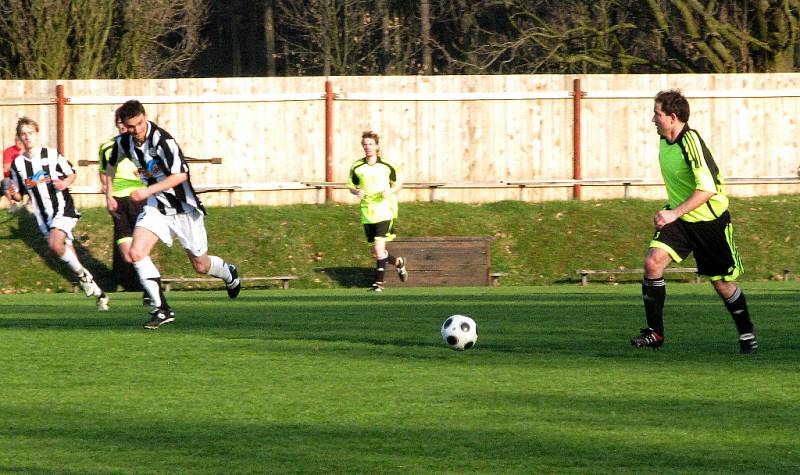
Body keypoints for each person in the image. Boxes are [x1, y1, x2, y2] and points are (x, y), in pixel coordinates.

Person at [631, 89, 757, 354]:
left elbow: (707, 189)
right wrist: (674, 213)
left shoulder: (690, 142)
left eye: (657, 114)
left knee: (721, 283)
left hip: (709, 222)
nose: (652, 119)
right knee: (652, 263)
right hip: (681, 219)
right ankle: (655, 333)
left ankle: (747, 333)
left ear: (673, 117)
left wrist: (673, 213)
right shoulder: (665, 141)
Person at [105, 99, 240, 329]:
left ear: (144, 117)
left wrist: (147, 189)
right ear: (124, 126)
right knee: (137, 252)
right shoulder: (124, 142)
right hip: (156, 206)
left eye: (139, 124)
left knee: (201, 266)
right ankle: (162, 309)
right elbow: (108, 165)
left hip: (183, 209)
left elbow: (180, 176)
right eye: (130, 126)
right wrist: (109, 194)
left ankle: (229, 273)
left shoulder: (163, 141)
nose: (136, 130)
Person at [8, 117, 110, 310]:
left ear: (37, 134)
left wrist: (65, 183)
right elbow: (19, 194)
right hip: (43, 217)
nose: (27, 137)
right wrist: (13, 193)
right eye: (23, 134)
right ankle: (99, 293)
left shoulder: (51, 155)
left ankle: (85, 278)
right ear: (19, 137)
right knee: (68, 256)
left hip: (63, 209)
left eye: (30, 133)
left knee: (55, 244)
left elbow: (71, 172)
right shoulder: (18, 164)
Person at [347, 130, 408, 292]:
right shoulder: (357, 166)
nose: (368, 147)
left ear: (377, 146)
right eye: (365, 144)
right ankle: (398, 263)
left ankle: (378, 284)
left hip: (385, 210)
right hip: (367, 212)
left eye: (371, 144)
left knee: (378, 248)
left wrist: (390, 191)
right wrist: (356, 192)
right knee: (377, 251)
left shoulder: (387, 165)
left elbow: (399, 182)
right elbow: (351, 186)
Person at [98, 108, 148, 300]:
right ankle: (146, 285)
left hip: (139, 199)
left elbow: (154, 170)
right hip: (119, 202)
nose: (122, 126)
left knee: (140, 248)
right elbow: (104, 172)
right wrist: (108, 195)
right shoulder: (107, 147)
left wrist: (143, 175)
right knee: (127, 254)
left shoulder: (141, 145)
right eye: (119, 122)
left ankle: (150, 289)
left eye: (124, 122)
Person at [2, 135, 23, 212]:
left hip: (24, 177)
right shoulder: (8, 151)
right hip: (11, 177)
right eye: (18, 141)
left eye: (22, 141)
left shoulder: (26, 151)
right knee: (5, 182)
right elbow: (6, 168)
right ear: (15, 141)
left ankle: (29, 203)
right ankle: (12, 204)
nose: (20, 143)